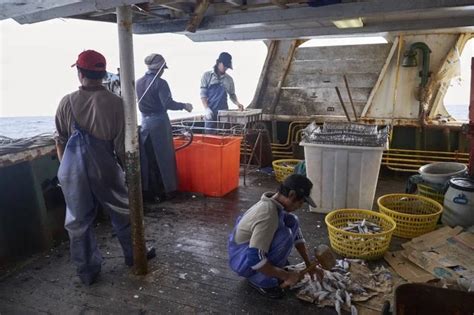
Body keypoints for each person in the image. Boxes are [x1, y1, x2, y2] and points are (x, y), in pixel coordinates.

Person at [55, 50, 154, 285]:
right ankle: (135, 255)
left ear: (80, 74)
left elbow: (59, 140)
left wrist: (66, 172)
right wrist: (129, 177)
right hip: (106, 168)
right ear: (102, 74)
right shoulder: (118, 104)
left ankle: (87, 272)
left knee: (78, 223)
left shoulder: (66, 102)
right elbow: (123, 148)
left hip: (73, 173)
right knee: (123, 212)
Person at [228, 174, 320, 299]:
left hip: (249, 252)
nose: (300, 206)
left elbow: (297, 233)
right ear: (292, 195)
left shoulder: (276, 204)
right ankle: (261, 280)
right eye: (301, 202)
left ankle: (273, 270)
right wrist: (287, 276)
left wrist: (309, 265)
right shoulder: (268, 214)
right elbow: (255, 258)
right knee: (285, 236)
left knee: (292, 220)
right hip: (242, 260)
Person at [136, 53, 193, 201]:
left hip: (145, 125)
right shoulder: (161, 83)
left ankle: (150, 192)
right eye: (163, 69)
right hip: (159, 124)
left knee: (149, 158)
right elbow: (167, 104)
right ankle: (167, 191)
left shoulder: (138, 82)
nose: (163, 72)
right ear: (160, 68)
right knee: (164, 159)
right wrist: (184, 106)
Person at [200, 52, 244, 131]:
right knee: (210, 136)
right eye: (225, 66)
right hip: (210, 113)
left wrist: (238, 103)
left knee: (223, 135)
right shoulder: (207, 76)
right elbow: (203, 94)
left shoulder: (229, 79)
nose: (226, 68)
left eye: (227, 66)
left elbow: (232, 94)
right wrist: (206, 109)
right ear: (218, 63)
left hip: (224, 113)